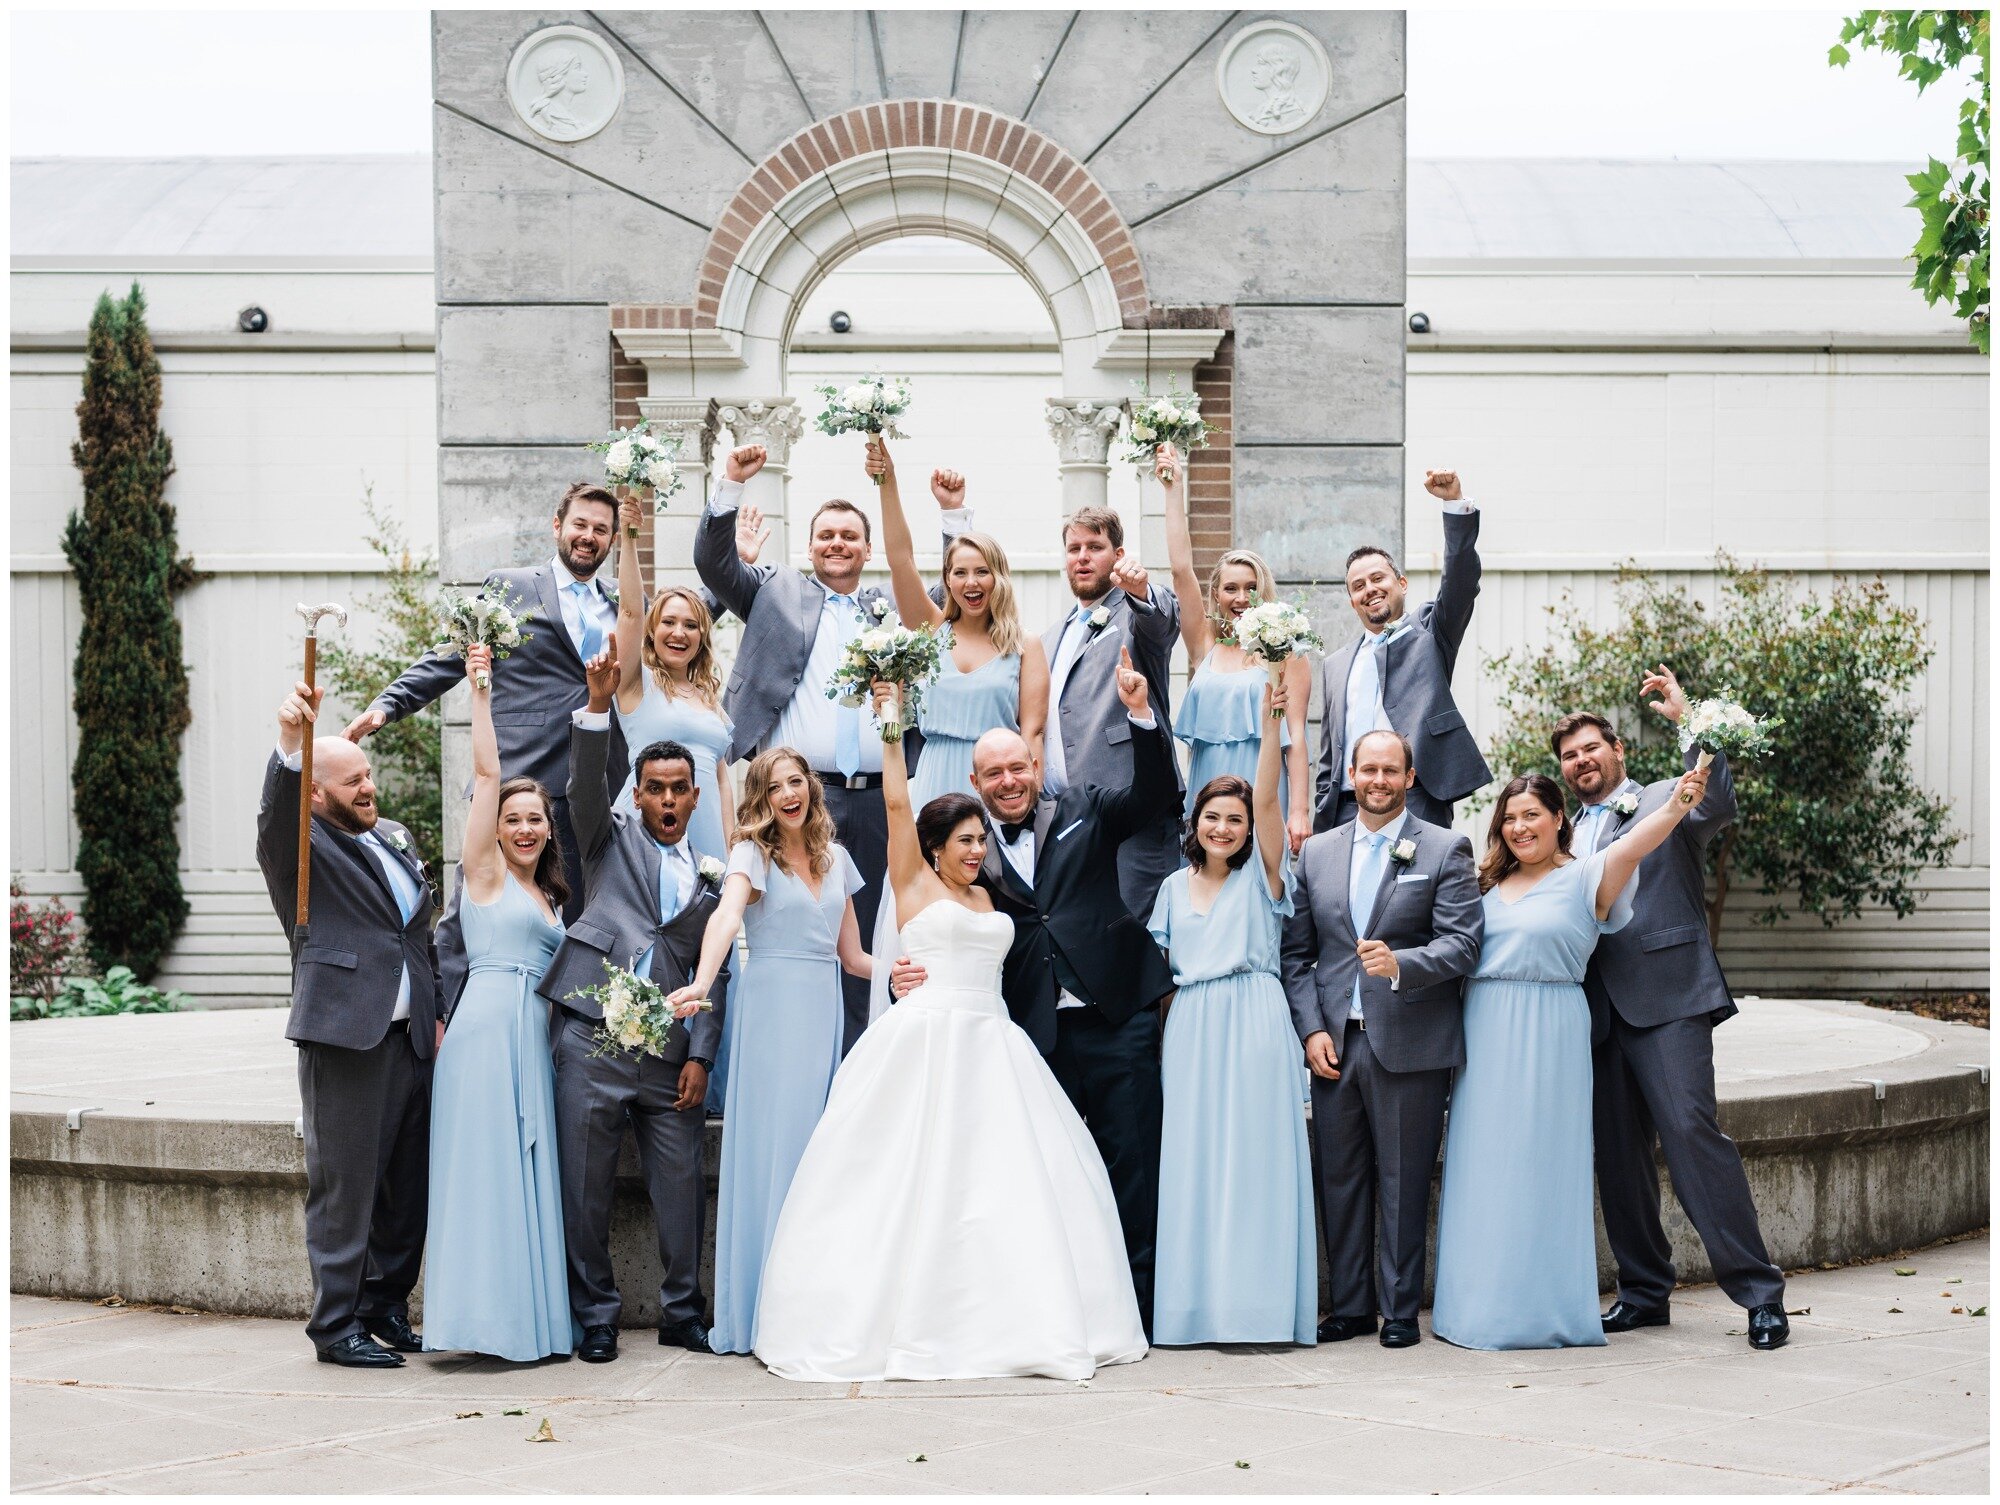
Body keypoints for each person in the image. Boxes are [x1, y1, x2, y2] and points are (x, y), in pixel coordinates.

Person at [744, 677, 1148, 1382]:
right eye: (963, 840)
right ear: (934, 846)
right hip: (928, 1041)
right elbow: (897, 801)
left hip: (997, 1043)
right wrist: (890, 718)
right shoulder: (914, 882)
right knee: (914, 1182)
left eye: (979, 839)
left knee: (1012, 1188)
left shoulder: (993, 892)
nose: (974, 850)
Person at [888, 648, 1178, 1326]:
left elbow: (1157, 796)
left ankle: (1138, 1310)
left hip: (1115, 1016)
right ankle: (1057, 1306)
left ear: (1037, 764)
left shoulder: (1086, 806)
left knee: (1132, 1165)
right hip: (1031, 1034)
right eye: (995, 772)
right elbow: (936, 924)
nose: (1010, 780)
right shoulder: (962, 852)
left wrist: (1140, 714)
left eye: (1019, 766)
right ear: (976, 778)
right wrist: (911, 973)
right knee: (1044, 1178)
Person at [1429, 762, 1709, 1351]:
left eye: (1532, 815)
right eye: (1509, 818)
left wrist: (1680, 801)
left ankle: (1543, 1309)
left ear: (1561, 819)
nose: (1519, 827)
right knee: (1483, 1169)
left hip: (1552, 1030)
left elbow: (1636, 843)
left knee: (1541, 1168)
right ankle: (1474, 1309)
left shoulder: (1588, 878)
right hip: (1483, 1034)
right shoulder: (1482, 884)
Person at [1556, 669, 1790, 1351]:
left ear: (1619, 750)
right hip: (1595, 1011)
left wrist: (1691, 722)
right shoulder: (1562, 831)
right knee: (1618, 1157)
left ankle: (1759, 1292)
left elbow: (1714, 799)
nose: (1581, 762)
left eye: (1592, 748)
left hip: (1669, 996)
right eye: (1570, 756)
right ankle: (1643, 1290)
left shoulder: (1665, 795)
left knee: (1692, 1136)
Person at [534, 646, 731, 1364]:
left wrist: (703, 1055)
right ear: (639, 795)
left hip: (670, 1055)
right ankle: (595, 1317)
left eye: (681, 788)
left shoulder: (716, 878)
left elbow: (718, 975)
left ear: (696, 796)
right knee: (582, 1185)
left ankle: (684, 1311)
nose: (671, 800)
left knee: (681, 1190)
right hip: (592, 1037)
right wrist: (595, 705)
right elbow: (585, 786)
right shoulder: (605, 840)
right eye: (657, 788)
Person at [255, 680, 439, 1368]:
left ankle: (384, 1305)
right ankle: (335, 1326)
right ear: (317, 794)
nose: (369, 786)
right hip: (345, 1037)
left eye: (368, 774)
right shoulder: (301, 854)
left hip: (412, 1038)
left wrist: (437, 1011)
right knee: (345, 1189)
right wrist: (289, 746)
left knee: (404, 1186)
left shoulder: (393, 836)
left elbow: (420, 935)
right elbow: (275, 815)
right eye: (352, 780)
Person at [1280, 729, 1482, 1349]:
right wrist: (1312, 1029)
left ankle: (1397, 1310)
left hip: (1410, 1038)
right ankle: (1349, 1306)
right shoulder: (1316, 852)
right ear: (1350, 772)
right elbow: (1297, 955)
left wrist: (1404, 963)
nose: (1378, 780)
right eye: (1369, 769)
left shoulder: (1445, 849)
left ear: (1410, 777)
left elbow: (1465, 944)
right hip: (1336, 1044)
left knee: (1403, 1177)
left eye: (1390, 770)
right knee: (1338, 1177)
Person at [346, 481, 628, 920]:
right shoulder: (510, 587)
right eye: (580, 524)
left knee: (583, 917)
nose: (588, 535)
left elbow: (676, 635)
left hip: (600, 781)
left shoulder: (624, 600)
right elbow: (450, 653)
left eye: (601, 529)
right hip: (521, 772)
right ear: (557, 526)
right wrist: (387, 705)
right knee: (489, 907)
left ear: (612, 539)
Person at [694, 445, 895, 1055]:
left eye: (850, 537)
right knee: (794, 937)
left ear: (866, 550)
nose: (838, 544)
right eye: (826, 535)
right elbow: (715, 565)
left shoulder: (886, 612)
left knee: (863, 943)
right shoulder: (776, 590)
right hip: (796, 803)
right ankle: (796, 1064)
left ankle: (859, 1077)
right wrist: (729, 486)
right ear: (810, 548)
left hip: (876, 801)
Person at [674, 747, 872, 1356]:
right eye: (775, 785)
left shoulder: (837, 860)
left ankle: (811, 1305)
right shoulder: (749, 854)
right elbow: (727, 917)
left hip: (821, 1011)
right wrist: (703, 982)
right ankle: (758, 1310)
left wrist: (915, 971)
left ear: (811, 788)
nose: (790, 793)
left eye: (798, 781)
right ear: (760, 796)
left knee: (817, 1148)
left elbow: (855, 958)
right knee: (773, 1149)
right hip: (769, 1013)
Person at [422, 644, 576, 1363]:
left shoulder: (550, 896)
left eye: (534, 819)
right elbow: (487, 771)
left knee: (526, 1173)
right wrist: (481, 687)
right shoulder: (483, 876)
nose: (522, 827)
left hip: (532, 1037)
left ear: (548, 829)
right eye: (512, 817)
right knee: (483, 1173)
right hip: (485, 1031)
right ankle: (475, 1323)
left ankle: (528, 1324)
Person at [1149, 682, 1314, 1347]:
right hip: (1191, 1024)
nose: (1224, 827)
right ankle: (1195, 1311)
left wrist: (1274, 720)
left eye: (1235, 819)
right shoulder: (1169, 887)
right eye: (1212, 816)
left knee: (1255, 1162)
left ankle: (1260, 1308)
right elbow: (1158, 978)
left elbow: (1269, 795)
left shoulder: (1265, 876)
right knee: (1195, 1163)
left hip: (1254, 1018)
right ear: (1195, 822)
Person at [943, 491, 1181, 919]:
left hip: (1129, 809)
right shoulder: (1050, 636)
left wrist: (1142, 589)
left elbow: (1162, 621)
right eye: (1075, 549)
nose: (1083, 558)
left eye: (1095, 547)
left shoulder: (1136, 614)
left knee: (1137, 938)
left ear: (1118, 554)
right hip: (1062, 819)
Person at [609, 494, 744, 1114]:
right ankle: (641, 1068)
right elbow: (631, 608)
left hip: (711, 833)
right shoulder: (634, 686)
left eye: (692, 624)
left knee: (712, 949)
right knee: (651, 943)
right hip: (650, 828)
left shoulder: (712, 696)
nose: (679, 632)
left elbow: (719, 776)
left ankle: (707, 1077)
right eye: (670, 623)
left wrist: (740, 844)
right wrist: (630, 533)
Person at [866, 438, 1049, 810]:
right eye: (960, 572)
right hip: (932, 785)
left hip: (997, 787)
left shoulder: (1025, 646)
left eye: (982, 572)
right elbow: (901, 559)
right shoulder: (930, 631)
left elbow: (1032, 734)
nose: (971, 582)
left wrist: (1031, 811)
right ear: (947, 579)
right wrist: (889, 480)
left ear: (999, 578)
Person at [1156, 442, 1312, 854]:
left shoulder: (1287, 655)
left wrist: (1299, 809)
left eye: (1251, 588)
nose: (1241, 597)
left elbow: (1295, 736)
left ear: (1264, 593)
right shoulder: (1203, 645)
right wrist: (1174, 489)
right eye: (1231, 588)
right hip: (1207, 797)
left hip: (1264, 795)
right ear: (1217, 595)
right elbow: (1179, 569)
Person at [1314, 469, 1490, 832]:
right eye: (1358, 586)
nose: (1370, 589)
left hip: (1419, 798)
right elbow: (1329, 755)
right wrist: (1322, 810)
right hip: (1348, 808)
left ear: (1402, 584)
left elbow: (1460, 581)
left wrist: (1453, 504)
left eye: (1378, 578)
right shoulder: (1335, 666)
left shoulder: (1431, 629)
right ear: (1352, 602)